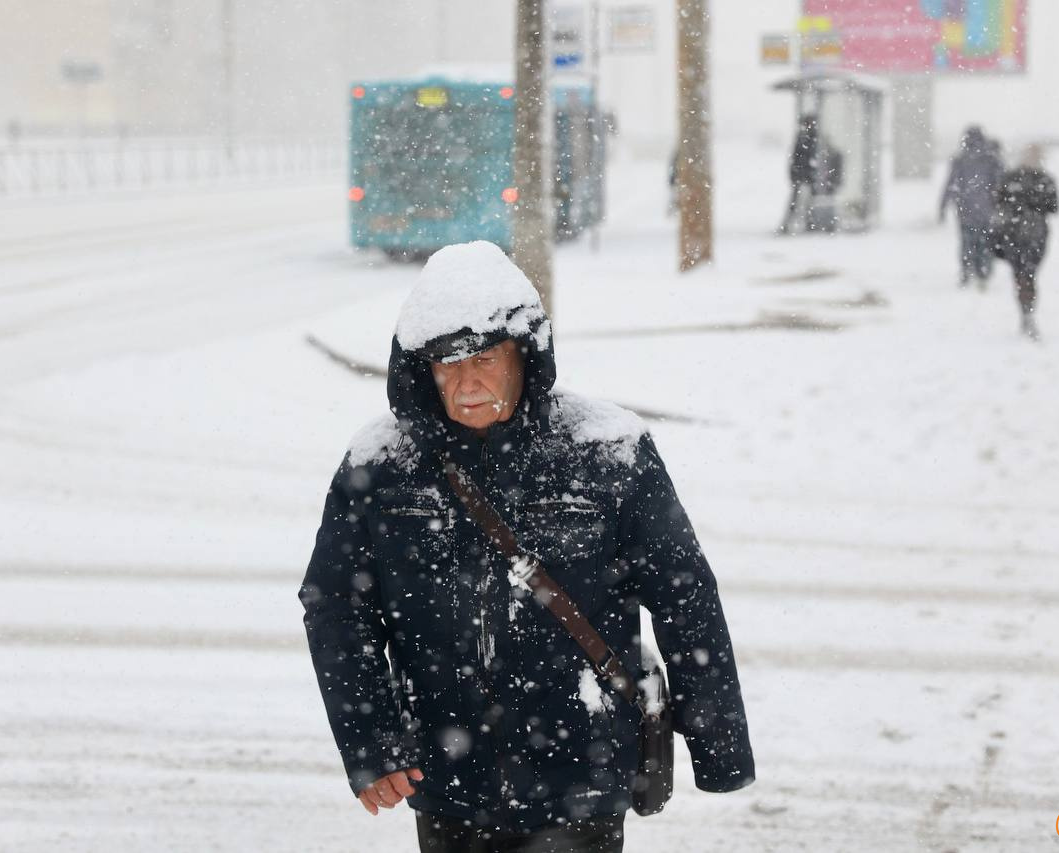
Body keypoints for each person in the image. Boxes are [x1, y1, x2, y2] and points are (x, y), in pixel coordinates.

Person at [298, 241, 756, 852]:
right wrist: (371, 743)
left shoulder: (608, 452)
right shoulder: (381, 466)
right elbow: (336, 608)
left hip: (582, 774)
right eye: (446, 365)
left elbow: (686, 596)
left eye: (484, 359)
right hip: (447, 780)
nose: (465, 383)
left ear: (525, 355)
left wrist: (719, 748)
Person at [990, 144, 1059, 341]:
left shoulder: (1010, 178)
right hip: (1035, 234)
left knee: (1021, 274)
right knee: (1028, 274)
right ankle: (1027, 310)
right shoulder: (1045, 180)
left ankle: (1025, 309)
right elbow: (1054, 207)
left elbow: (998, 201)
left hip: (1013, 234)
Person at [938, 125, 1004, 289]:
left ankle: (967, 270)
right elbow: (1000, 183)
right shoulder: (992, 159)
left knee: (967, 241)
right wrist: (1001, 204)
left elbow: (951, 184)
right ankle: (984, 271)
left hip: (965, 209)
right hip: (987, 209)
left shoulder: (960, 159)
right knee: (986, 241)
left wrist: (943, 206)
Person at [777, 114, 819, 235]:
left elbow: (798, 157)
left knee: (804, 200)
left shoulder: (809, 137)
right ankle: (807, 223)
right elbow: (796, 157)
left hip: (805, 173)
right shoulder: (805, 137)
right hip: (804, 173)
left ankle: (808, 223)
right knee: (800, 200)